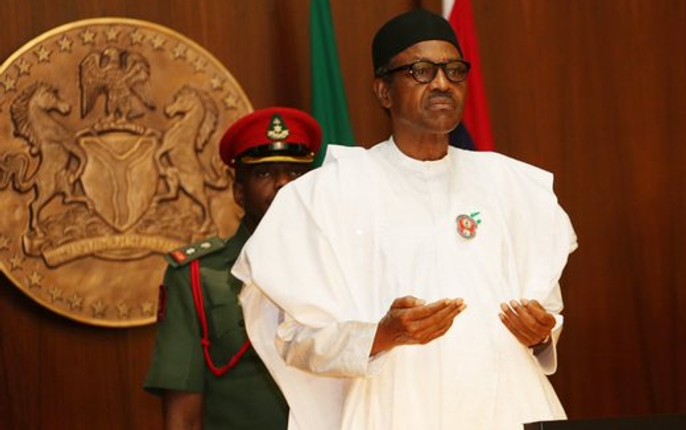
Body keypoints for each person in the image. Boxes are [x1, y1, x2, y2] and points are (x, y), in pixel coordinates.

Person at [234, 8, 577, 430]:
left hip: (507, 409)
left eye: (454, 70)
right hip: (394, 412)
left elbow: (547, 310)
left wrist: (541, 333)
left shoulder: (511, 185)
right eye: (421, 70)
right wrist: (382, 334)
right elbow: (294, 341)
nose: (441, 83)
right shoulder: (327, 195)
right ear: (383, 91)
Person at [144, 107, 322, 430]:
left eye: (296, 174)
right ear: (238, 191)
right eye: (264, 174)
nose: (283, 184)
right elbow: (182, 419)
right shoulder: (197, 277)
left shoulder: (339, 267)